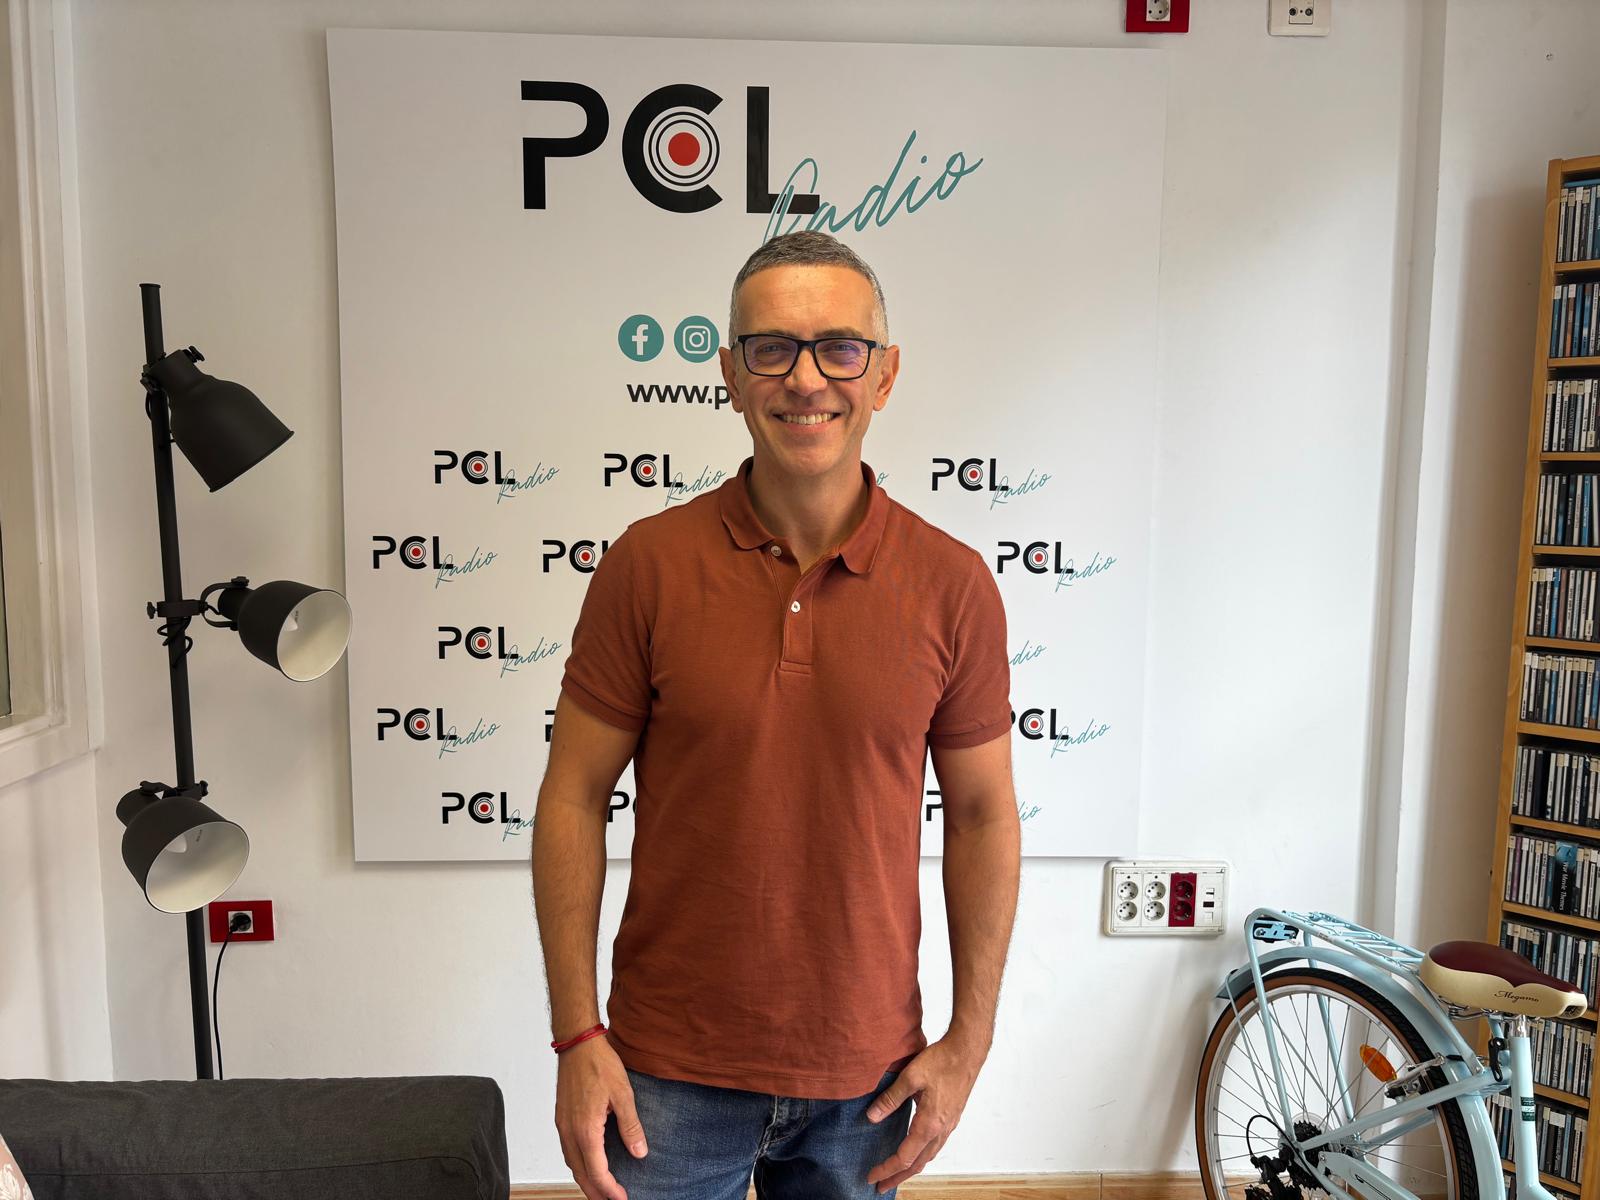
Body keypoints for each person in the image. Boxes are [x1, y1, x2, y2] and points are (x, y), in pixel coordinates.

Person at [531, 229, 1020, 1200]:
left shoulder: (953, 585)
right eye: (771, 349)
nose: (805, 378)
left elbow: (982, 817)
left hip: (866, 1079)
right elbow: (573, 797)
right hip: (664, 1071)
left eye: (839, 348)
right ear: (730, 374)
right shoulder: (647, 567)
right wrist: (577, 1035)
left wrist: (969, 1042)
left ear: (883, 375)